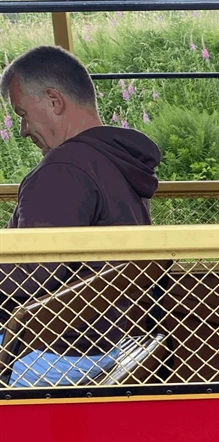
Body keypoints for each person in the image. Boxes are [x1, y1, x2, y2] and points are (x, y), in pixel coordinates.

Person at [0, 46, 161, 387]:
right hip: (103, 340)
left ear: (54, 101)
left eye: (23, 114)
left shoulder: (63, 171)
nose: (24, 130)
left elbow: (25, 278)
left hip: (49, 352)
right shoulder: (115, 160)